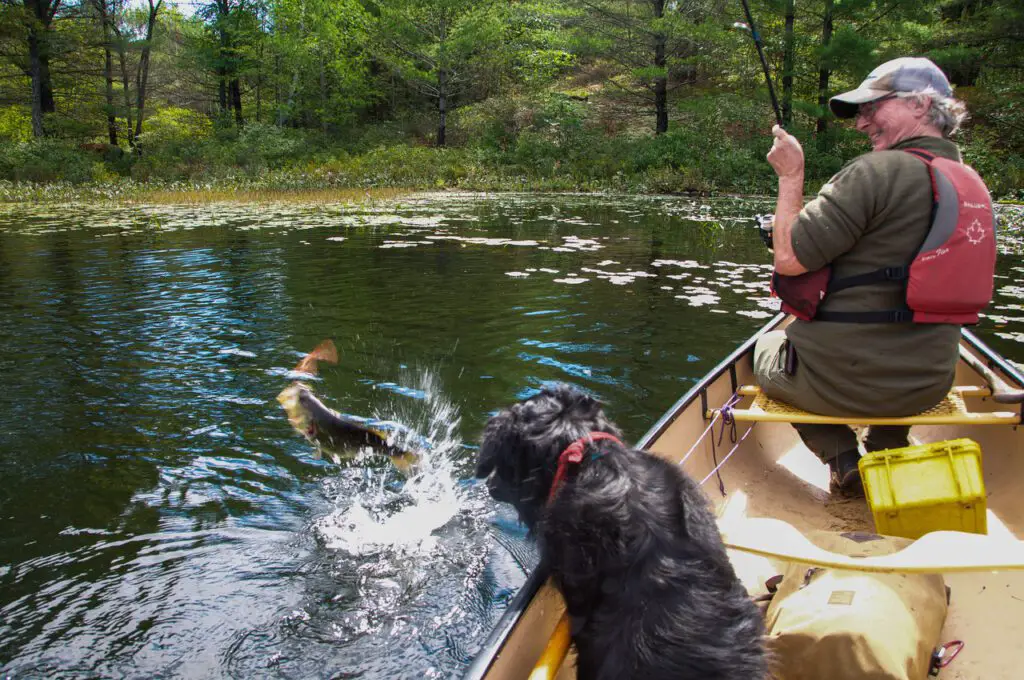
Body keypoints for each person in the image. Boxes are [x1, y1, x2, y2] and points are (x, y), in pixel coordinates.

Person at [752, 57, 995, 494]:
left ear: (920, 105)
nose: (862, 122)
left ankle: (841, 455)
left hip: (838, 384)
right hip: (928, 386)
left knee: (764, 350)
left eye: (872, 108)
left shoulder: (873, 172)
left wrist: (791, 176)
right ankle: (887, 442)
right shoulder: (970, 182)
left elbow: (789, 259)